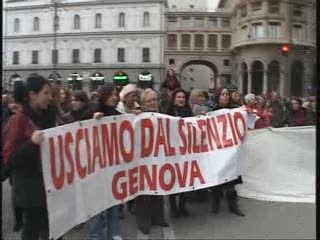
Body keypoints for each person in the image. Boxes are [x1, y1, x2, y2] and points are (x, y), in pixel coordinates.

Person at [2, 74, 56, 240]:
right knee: (32, 228)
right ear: (33, 94)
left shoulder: (44, 115)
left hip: (45, 182)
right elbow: (9, 159)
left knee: (51, 225)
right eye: (46, 93)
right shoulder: (18, 120)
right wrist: (31, 143)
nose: (50, 97)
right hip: (29, 187)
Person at [88, 83, 123, 240]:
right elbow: (78, 128)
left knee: (113, 202)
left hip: (113, 166)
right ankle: (95, 234)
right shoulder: (92, 112)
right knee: (96, 203)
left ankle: (115, 232)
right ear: (103, 95)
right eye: (111, 94)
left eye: (116, 94)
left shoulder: (117, 114)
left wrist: (137, 116)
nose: (114, 97)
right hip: (95, 167)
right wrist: (92, 121)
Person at [134, 88, 169, 234]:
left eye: (154, 99)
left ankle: (158, 217)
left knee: (158, 187)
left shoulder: (163, 115)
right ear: (143, 103)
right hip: (142, 158)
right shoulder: (137, 116)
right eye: (149, 101)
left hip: (159, 156)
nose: (152, 102)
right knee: (143, 190)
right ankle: (143, 220)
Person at [211, 87, 245, 217]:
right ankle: (215, 203)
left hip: (231, 150)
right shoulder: (213, 111)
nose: (225, 96)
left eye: (227, 94)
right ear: (218, 96)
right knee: (218, 178)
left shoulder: (235, 110)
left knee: (231, 179)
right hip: (218, 149)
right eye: (222, 94)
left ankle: (233, 206)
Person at [166, 89, 193, 217]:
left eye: (183, 97)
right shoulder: (169, 111)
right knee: (173, 179)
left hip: (186, 150)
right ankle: (173, 207)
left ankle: (182, 205)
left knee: (185, 179)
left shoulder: (189, 111)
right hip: (172, 151)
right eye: (178, 97)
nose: (181, 99)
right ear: (174, 99)